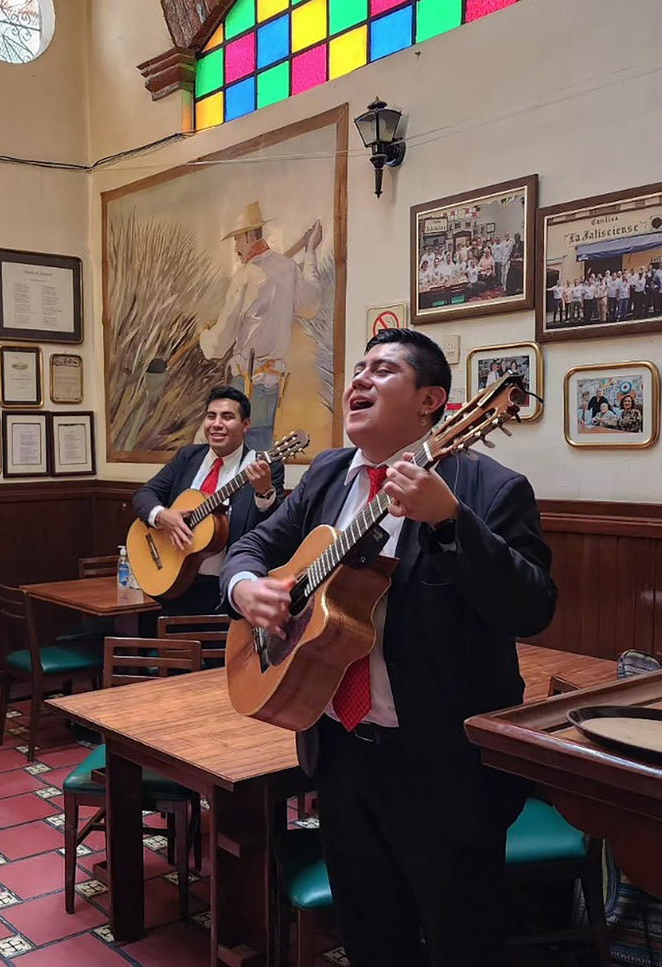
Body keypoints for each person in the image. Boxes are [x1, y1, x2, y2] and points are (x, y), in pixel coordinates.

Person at [222, 328, 556, 967]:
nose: (359, 381)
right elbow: (255, 546)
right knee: (371, 937)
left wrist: (450, 522)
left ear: (432, 401)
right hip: (342, 755)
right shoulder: (325, 474)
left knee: (463, 941)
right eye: (357, 369)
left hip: (444, 767)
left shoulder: (490, 489)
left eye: (383, 370)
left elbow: (533, 606)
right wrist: (244, 589)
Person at [133, 386, 284, 616]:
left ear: (245, 425)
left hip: (224, 592)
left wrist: (264, 492)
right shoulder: (188, 457)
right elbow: (144, 495)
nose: (216, 423)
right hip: (172, 580)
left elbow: (276, 530)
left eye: (227, 417)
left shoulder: (264, 467)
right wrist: (164, 517)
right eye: (211, 416)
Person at [199, 201, 324, 451]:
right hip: (270, 384)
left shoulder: (244, 277)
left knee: (230, 453)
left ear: (248, 235)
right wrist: (310, 252)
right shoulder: (287, 267)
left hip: (245, 384)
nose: (235, 247)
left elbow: (218, 346)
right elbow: (311, 302)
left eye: (237, 239)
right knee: (259, 449)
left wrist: (204, 334)